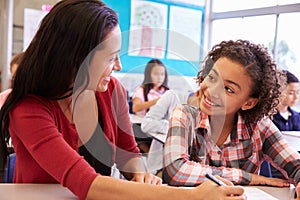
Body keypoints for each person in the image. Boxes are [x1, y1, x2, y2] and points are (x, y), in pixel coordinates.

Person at [0, 1, 245, 199]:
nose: (118, 66)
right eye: (111, 58)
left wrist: (140, 175)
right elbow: (86, 183)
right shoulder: (28, 108)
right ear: (75, 59)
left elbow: (128, 152)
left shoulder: (111, 89)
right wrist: (191, 196)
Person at [163, 39, 300, 195]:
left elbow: (294, 163)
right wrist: (248, 177)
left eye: (228, 89)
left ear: (248, 103)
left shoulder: (258, 126)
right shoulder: (184, 116)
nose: (213, 91)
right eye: (212, 78)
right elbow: (175, 171)